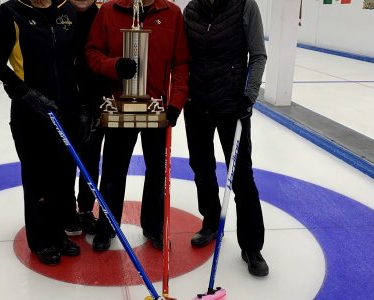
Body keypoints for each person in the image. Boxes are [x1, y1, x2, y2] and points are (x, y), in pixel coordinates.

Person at [0, 0, 89, 265]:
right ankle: (40, 240)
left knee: (63, 178)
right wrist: (26, 94)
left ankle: (58, 235)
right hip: (30, 113)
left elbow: (78, 59)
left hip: (65, 110)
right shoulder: (11, 11)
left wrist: (82, 106)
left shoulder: (67, 10)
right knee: (37, 180)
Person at [85, 0, 189, 251]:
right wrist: (115, 66)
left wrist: (175, 103)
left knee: (157, 171)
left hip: (157, 109)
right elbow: (92, 53)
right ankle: (107, 226)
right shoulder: (109, 11)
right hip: (120, 108)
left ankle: (153, 226)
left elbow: (182, 63)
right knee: (112, 171)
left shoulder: (172, 14)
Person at [183, 0, 269, 276]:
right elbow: (185, 57)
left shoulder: (245, 6)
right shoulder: (191, 10)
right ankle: (210, 221)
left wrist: (249, 94)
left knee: (241, 174)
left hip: (232, 105)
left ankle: (252, 245)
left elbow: (257, 55)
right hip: (197, 104)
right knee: (202, 167)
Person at [64, 0, 106, 237]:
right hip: (64, 102)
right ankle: (66, 209)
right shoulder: (58, 14)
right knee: (65, 160)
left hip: (94, 102)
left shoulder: (103, 16)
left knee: (90, 159)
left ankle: (86, 209)